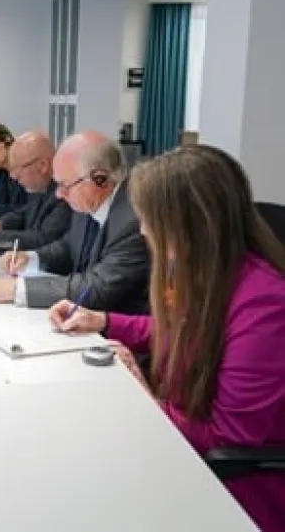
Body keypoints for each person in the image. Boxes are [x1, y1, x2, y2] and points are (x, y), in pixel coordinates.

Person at [48, 145, 285, 532]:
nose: (143, 230)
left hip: (233, 494)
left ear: (188, 224)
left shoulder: (265, 306)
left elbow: (229, 440)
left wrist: (144, 396)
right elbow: (179, 335)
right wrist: (103, 321)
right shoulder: (209, 273)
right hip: (179, 450)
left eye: (149, 219)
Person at [0, 131, 149, 313]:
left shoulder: (133, 220)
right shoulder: (89, 203)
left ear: (100, 179)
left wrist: (17, 289)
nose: (58, 194)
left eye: (65, 185)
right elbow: (68, 248)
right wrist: (32, 258)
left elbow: (97, 289)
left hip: (117, 323)